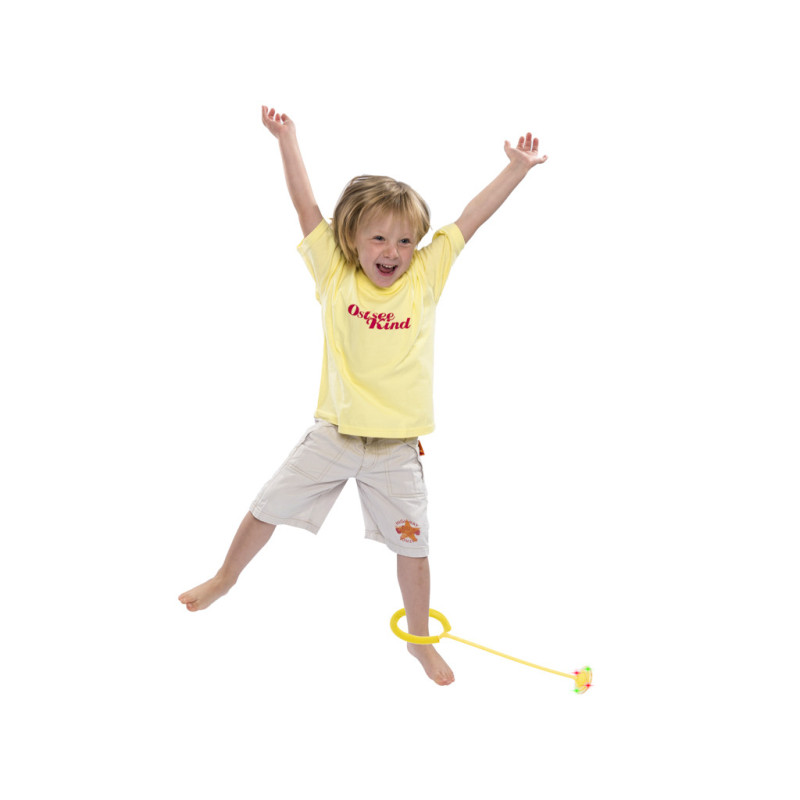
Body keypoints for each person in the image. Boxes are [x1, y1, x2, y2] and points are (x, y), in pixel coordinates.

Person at [179, 106, 548, 686]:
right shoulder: (334, 273)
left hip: (396, 450)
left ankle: (420, 640)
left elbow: (471, 218)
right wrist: (287, 137)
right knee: (265, 506)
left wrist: (517, 169)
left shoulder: (425, 275)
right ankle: (226, 577)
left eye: (404, 240)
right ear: (350, 239)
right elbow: (306, 207)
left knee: (415, 549)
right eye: (378, 237)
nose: (392, 250)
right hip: (335, 436)